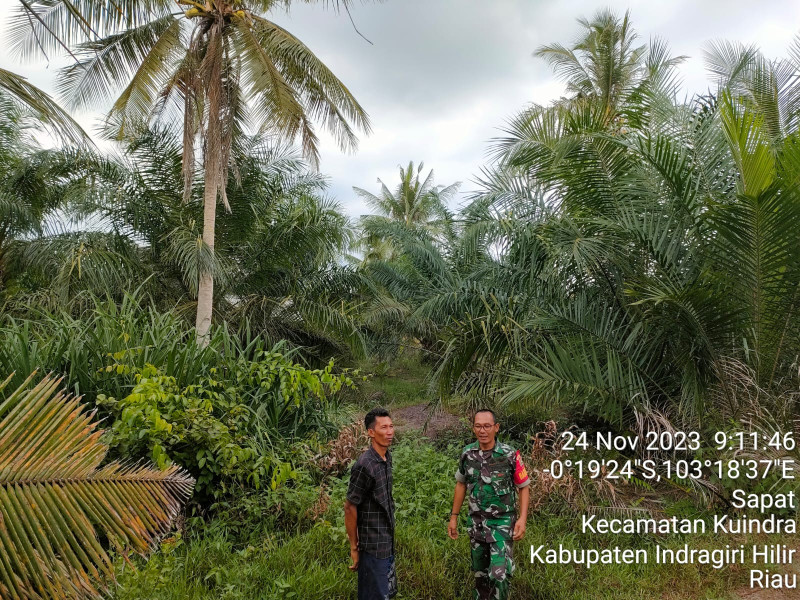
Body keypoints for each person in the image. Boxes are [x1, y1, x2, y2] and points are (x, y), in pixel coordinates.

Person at [448, 408, 530, 600]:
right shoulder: (467, 454)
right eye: (478, 426)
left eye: (487, 426)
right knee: (481, 575)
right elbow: (461, 484)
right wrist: (453, 517)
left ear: (496, 428)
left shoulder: (510, 455)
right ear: (473, 428)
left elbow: (523, 487)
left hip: (501, 524)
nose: (482, 430)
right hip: (476, 524)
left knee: (499, 575)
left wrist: (522, 519)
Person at [344, 407, 397, 600]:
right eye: (384, 427)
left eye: (391, 426)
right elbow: (350, 506)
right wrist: (354, 546)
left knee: (385, 593)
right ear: (371, 432)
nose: (389, 432)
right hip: (372, 545)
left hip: (387, 541)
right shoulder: (364, 465)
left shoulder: (386, 457)